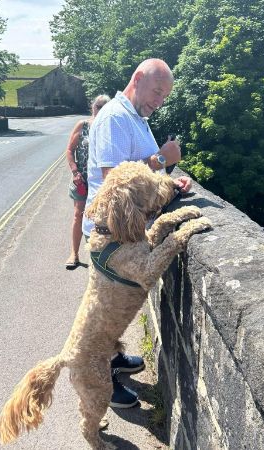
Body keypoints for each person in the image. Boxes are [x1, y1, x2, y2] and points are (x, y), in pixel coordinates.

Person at [82, 58, 193, 408]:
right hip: (111, 236)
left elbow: (143, 181)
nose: (159, 101)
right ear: (138, 79)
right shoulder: (116, 117)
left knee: (108, 311)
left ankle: (113, 362)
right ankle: (102, 383)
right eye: (157, 92)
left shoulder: (136, 119)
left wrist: (169, 184)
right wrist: (163, 159)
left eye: (164, 97)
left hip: (125, 232)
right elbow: (117, 177)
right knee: (103, 316)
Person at [65, 94, 110, 269]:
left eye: (104, 106)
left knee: (102, 219)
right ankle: (74, 254)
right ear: (93, 107)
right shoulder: (83, 126)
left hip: (101, 183)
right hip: (81, 180)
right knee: (79, 214)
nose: (99, 108)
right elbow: (70, 150)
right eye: (98, 105)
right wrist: (75, 172)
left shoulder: (109, 127)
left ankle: (100, 257)